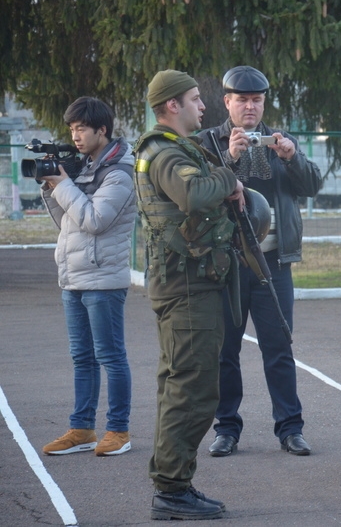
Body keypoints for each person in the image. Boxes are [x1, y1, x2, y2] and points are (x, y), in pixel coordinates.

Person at [134, 69, 244, 521]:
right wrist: (229, 178)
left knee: (180, 385)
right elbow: (195, 192)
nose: (204, 106)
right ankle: (172, 490)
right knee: (192, 389)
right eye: (197, 99)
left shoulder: (173, 148)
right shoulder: (162, 153)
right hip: (186, 286)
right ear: (173, 105)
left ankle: (173, 482)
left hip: (188, 282)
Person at [197, 65, 323, 458]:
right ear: (227, 102)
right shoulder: (208, 142)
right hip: (227, 263)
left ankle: (290, 429)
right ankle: (226, 429)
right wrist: (230, 158)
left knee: (279, 348)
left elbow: (314, 185)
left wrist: (291, 157)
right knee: (224, 352)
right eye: (242, 100)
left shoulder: (282, 140)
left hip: (273, 265)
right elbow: (199, 195)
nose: (250, 108)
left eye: (257, 101)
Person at [39, 97, 136, 457]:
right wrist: (52, 185)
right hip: (74, 276)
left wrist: (63, 184)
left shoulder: (119, 171)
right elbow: (67, 222)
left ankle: (119, 431)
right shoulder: (84, 166)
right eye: (72, 130)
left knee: (111, 356)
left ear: (102, 130)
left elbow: (95, 221)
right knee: (82, 358)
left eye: (81, 129)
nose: (75, 136)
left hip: (103, 279)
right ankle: (81, 429)